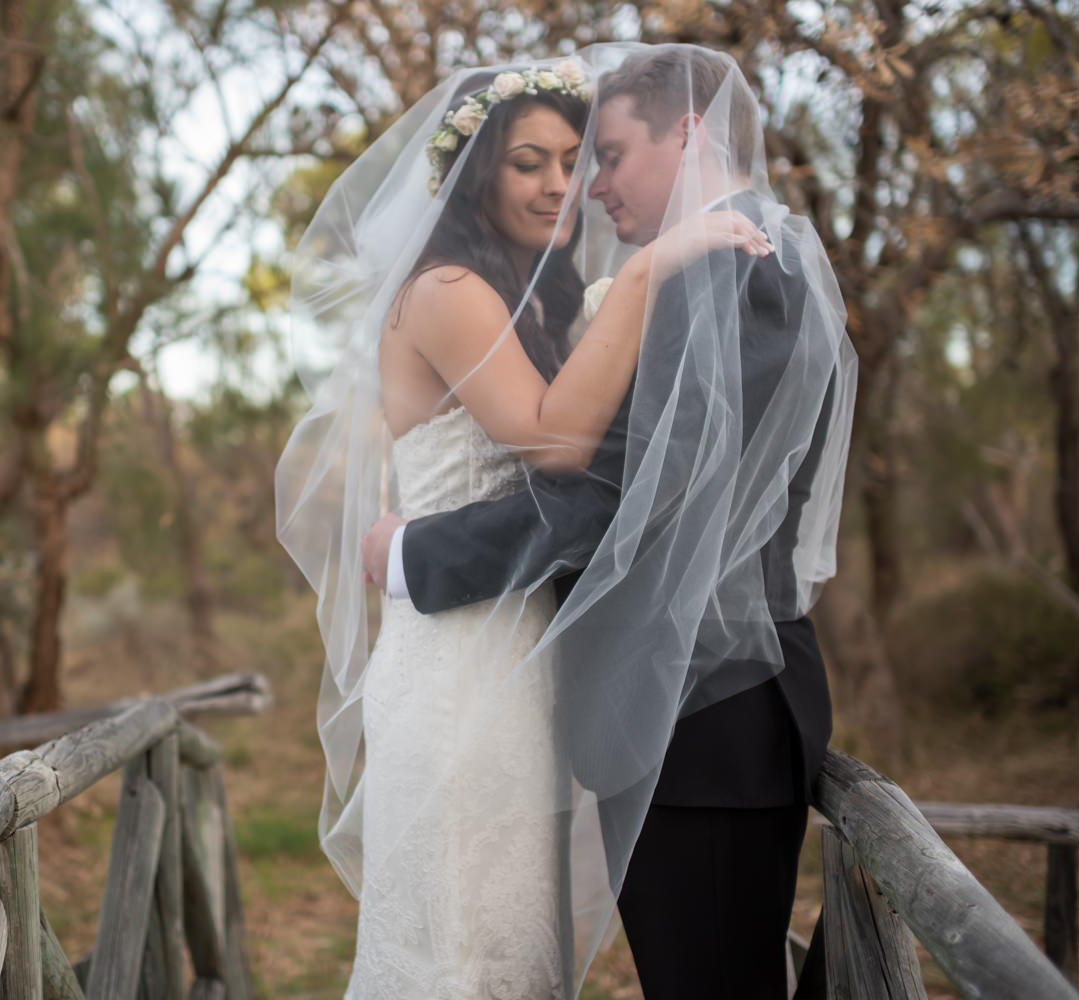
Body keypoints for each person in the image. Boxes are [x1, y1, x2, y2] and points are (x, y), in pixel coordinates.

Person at [276, 52, 781, 998]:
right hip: (460, 662)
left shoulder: (532, 300)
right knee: (462, 944)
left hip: (523, 657)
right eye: (528, 162)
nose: (562, 185)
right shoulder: (447, 293)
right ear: (477, 175)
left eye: (572, 161)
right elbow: (555, 442)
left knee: (515, 942)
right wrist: (647, 273)